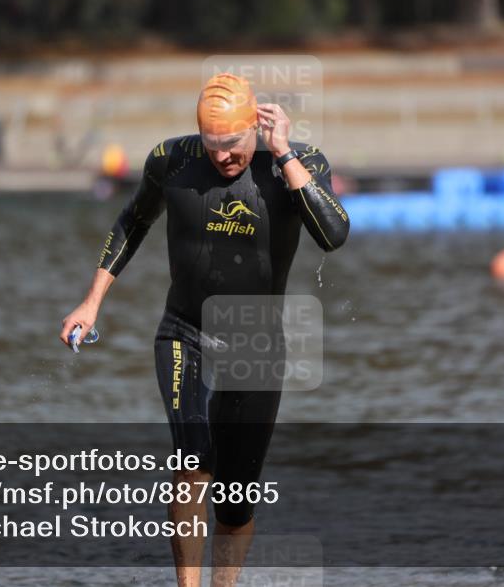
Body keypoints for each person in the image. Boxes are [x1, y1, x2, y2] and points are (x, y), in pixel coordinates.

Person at [60, 73, 349, 587]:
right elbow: (132, 222)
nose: (223, 157)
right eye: (212, 144)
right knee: (193, 459)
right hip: (185, 332)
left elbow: (333, 234)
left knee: (235, 502)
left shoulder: (299, 161)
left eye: (233, 143)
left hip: (256, 345)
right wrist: (91, 302)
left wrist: (284, 154)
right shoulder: (172, 159)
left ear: (256, 126)